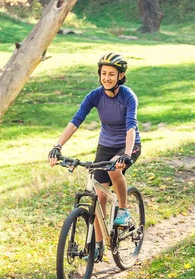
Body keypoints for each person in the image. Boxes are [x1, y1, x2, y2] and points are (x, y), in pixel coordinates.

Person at [48, 52, 142, 262]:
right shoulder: (94, 96)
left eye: (112, 74)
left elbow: (131, 127)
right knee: (98, 197)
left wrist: (126, 154)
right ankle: (99, 245)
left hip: (129, 145)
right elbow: (76, 121)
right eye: (103, 73)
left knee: (115, 169)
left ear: (121, 76)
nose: (107, 78)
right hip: (106, 146)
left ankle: (124, 211)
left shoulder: (128, 97)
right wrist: (57, 146)